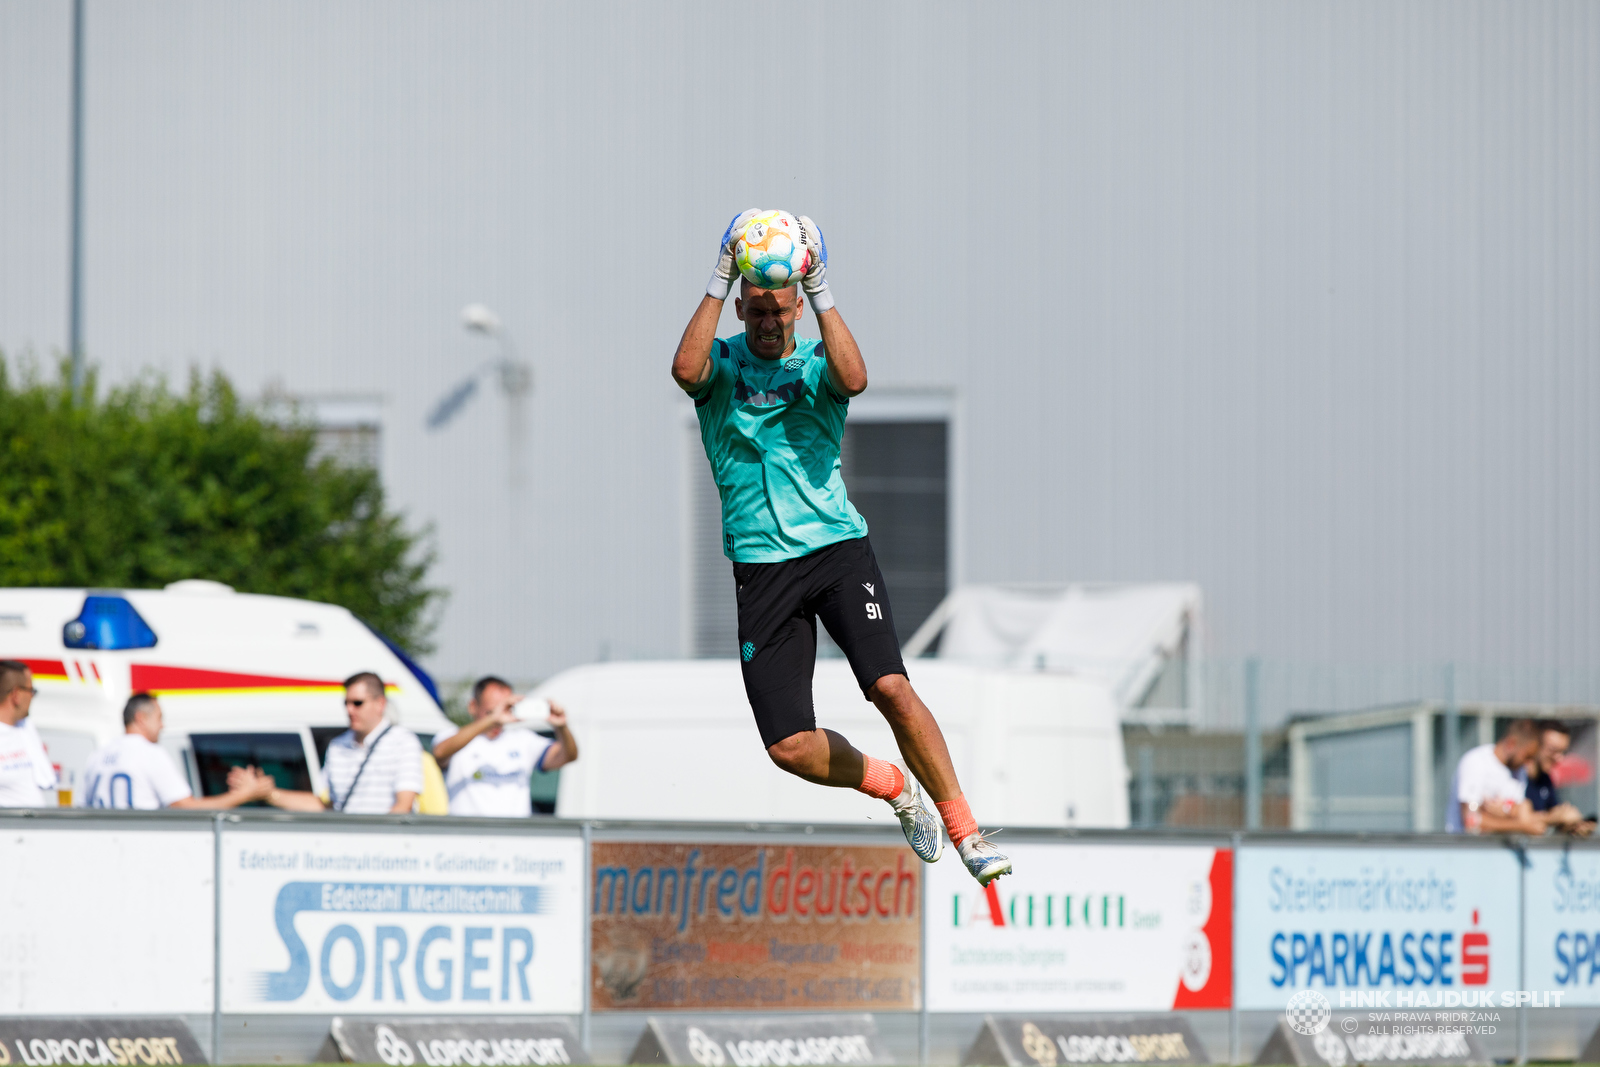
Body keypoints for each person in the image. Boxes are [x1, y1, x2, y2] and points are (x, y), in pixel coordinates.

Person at [671, 210, 1010, 885]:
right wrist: (717, 270)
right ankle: (894, 787)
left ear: (797, 306)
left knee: (890, 686)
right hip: (762, 569)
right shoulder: (723, 366)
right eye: (758, 308)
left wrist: (821, 283)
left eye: (781, 307)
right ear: (742, 306)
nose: (769, 320)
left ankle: (966, 829)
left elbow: (856, 380)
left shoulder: (819, 359)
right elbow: (684, 367)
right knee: (788, 746)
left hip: (836, 551)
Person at [234, 672, 422, 814]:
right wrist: (268, 793)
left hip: (386, 853)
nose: (349, 710)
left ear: (380, 704)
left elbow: (403, 807)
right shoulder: (337, 746)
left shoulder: (404, 742)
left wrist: (372, 842)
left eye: (357, 703)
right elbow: (327, 806)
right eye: (346, 703)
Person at [83, 692, 271, 810]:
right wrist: (243, 795)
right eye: (159, 718)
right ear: (141, 719)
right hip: (138, 843)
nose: (162, 726)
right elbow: (186, 807)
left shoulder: (97, 755)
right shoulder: (150, 753)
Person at [431, 676, 579, 816]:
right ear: (472, 706)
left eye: (505, 709)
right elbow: (440, 752)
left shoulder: (523, 740)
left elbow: (568, 756)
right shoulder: (453, 736)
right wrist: (492, 718)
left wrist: (562, 727)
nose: (499, 717)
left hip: (514, 837)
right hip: (467, 836)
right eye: (490, 711)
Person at [1448, 718, 1543, 834]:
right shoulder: (1476, 761)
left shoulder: (1519, 771)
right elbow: (1471, 821)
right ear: (1511, 743)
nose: (1528, 763)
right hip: (1466, 849)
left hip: (1498, 850)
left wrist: (1504, 812)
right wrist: (1520, 825)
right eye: (1527, 756)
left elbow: (1521, 811)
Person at [1520, 720, 1594, 836]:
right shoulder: (1515, 777)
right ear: (1534, 745)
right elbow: (1512, 819)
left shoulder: (1545, 780)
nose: (1559, 758)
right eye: (1553, 750)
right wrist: (1551, 818)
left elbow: (1556, 814)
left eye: (1562, 752)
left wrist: (1575, 825)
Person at [0, 660, 47, 808]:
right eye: (31, 691)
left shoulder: (25, 728)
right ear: (16, 695)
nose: (32, 697)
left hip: (36, 827)